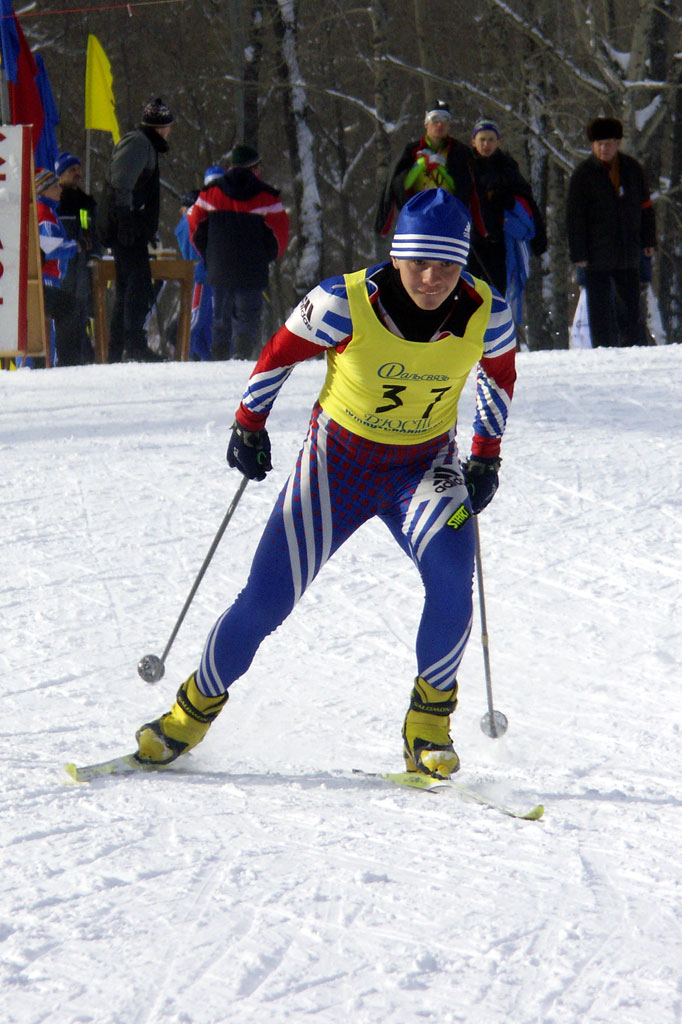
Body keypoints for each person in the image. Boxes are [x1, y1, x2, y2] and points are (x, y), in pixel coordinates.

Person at [133, 188, 517, 781]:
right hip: (337, 465)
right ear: (398, 256)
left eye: (447, 265)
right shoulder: (344, 300)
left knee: (452, 579)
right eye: (421, 263)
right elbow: (279, 354)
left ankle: (428, 727)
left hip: (424, 467)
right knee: (264, 603)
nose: (433, 277)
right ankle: (188, 714)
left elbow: (498, 377)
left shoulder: (486, 310)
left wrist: (486, 457)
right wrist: (248, 424)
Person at [187, 146, 289, 361]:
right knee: (248, 317)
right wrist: (267, 256)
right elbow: (280, 234)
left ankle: (219, 360)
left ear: (231, 166)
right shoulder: (267, 196)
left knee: (220, 317)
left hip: (219, 267)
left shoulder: (210, 193)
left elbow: (195, 225)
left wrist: (209, 255)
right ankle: (242, 358)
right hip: (253, 269)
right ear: (255, 166)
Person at [566, 116, 656, 348]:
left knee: (630, 306)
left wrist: (648, 240)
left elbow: (646, 207)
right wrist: (579, 254)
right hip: (596, 254)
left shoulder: (632, 169)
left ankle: (633, 348)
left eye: (608, 143)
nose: (604, 149)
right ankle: (603, 349)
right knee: (599, 309)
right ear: (593, 145)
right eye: (599, 144)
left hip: (628, 250)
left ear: (617, 143)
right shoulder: (583, 174)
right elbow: (574, 218)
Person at [97, 97, 174, 362]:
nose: (169, 132)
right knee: (138, 284)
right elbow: (121, 182)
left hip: (128, 226)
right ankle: (134, 344)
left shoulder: (144, 144)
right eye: (168, 126)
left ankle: (117, 348)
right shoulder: (139, 143)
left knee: (128, 285)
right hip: (125, 226)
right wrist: (125, 219)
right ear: (161, 126)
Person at [468, 118, 547, 323]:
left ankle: (498, 335)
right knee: (469, 293)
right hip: (471, 241)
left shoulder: (507, 167)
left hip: (500, 242)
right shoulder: (465, 167)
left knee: (498, 293)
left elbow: (527, 200)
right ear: (473, 141)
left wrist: (539, 234)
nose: (486, 144)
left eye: (491, 140)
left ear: (498, 142)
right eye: (482, 139)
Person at [375, 99, 475, 237]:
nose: (440, 124)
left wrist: (442, 169)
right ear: (426, 124)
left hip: (449, 218)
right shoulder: (411, 150)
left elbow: (465, 187)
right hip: (418, 217)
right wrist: (421, 165)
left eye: (445, 119)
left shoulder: (460, 152)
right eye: (435, 119)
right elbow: (400, 185)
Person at [55, 151, 100, 364]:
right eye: (71, 170)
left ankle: (83, 355)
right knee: (63, 311)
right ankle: (64, 357)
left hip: (83, 267)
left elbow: (92, 230)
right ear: (60, 174)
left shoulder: (86, 202)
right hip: (63, 267)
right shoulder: (55, 202)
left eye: (78, 169)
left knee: (82, 311)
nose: (77, 173)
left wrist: (96, 254)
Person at [35, 167, 81, 366]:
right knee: (52, 322)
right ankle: (52, 363)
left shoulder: (46, 210)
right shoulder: (45, 214)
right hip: (47, 276)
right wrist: (72, 246)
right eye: (55, 187)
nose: (60, 190)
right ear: (42, 191)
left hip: (48, 276)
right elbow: (48, 248)